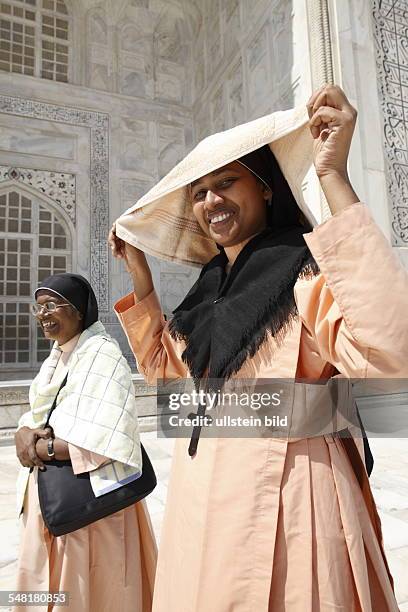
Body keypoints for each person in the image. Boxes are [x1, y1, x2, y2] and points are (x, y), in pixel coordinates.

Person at [109, 85, 407, 611]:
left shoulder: (304, 269)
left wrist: (332, 176)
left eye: (226, 182)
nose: (210, 201)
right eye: (199, 192)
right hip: (202, 503)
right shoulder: (208, 291)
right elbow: (168, 383)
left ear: (266, 188)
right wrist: (141, 275)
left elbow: (389, 352)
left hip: (287, 497)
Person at [14, 273, 157, 612]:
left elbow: (109, 436)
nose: (43, 314)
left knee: (95, 589)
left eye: (52, 306)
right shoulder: (59, 356)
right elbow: (39, 414)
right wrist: (23, 433)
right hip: (54, 497)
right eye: (38, 308)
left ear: (78, 311)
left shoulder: (103, 356)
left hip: (93, 506)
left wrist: (40, 448)